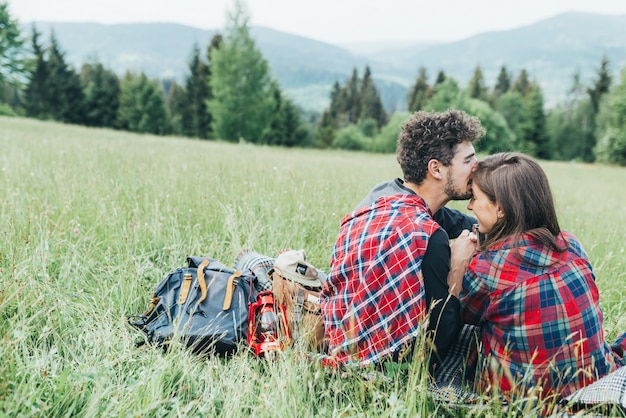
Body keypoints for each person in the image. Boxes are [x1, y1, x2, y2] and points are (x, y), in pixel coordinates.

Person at [320, 109, 485, 370]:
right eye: (468, 161)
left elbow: (449, 218)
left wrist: (493, 224)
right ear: (436, 169)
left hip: (341, 330)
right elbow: (437, 342)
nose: (477, 168)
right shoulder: (429, 238)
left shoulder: (385, 195)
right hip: (385, 360)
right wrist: (457, 268)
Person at [454, 152, 626, 402]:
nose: (469, 206)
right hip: (592, 379)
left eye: (474, 197)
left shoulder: (487, 268)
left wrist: (458, 263)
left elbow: (452, 319)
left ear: (500, 208)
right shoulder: (570, 245)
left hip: (524, 400)